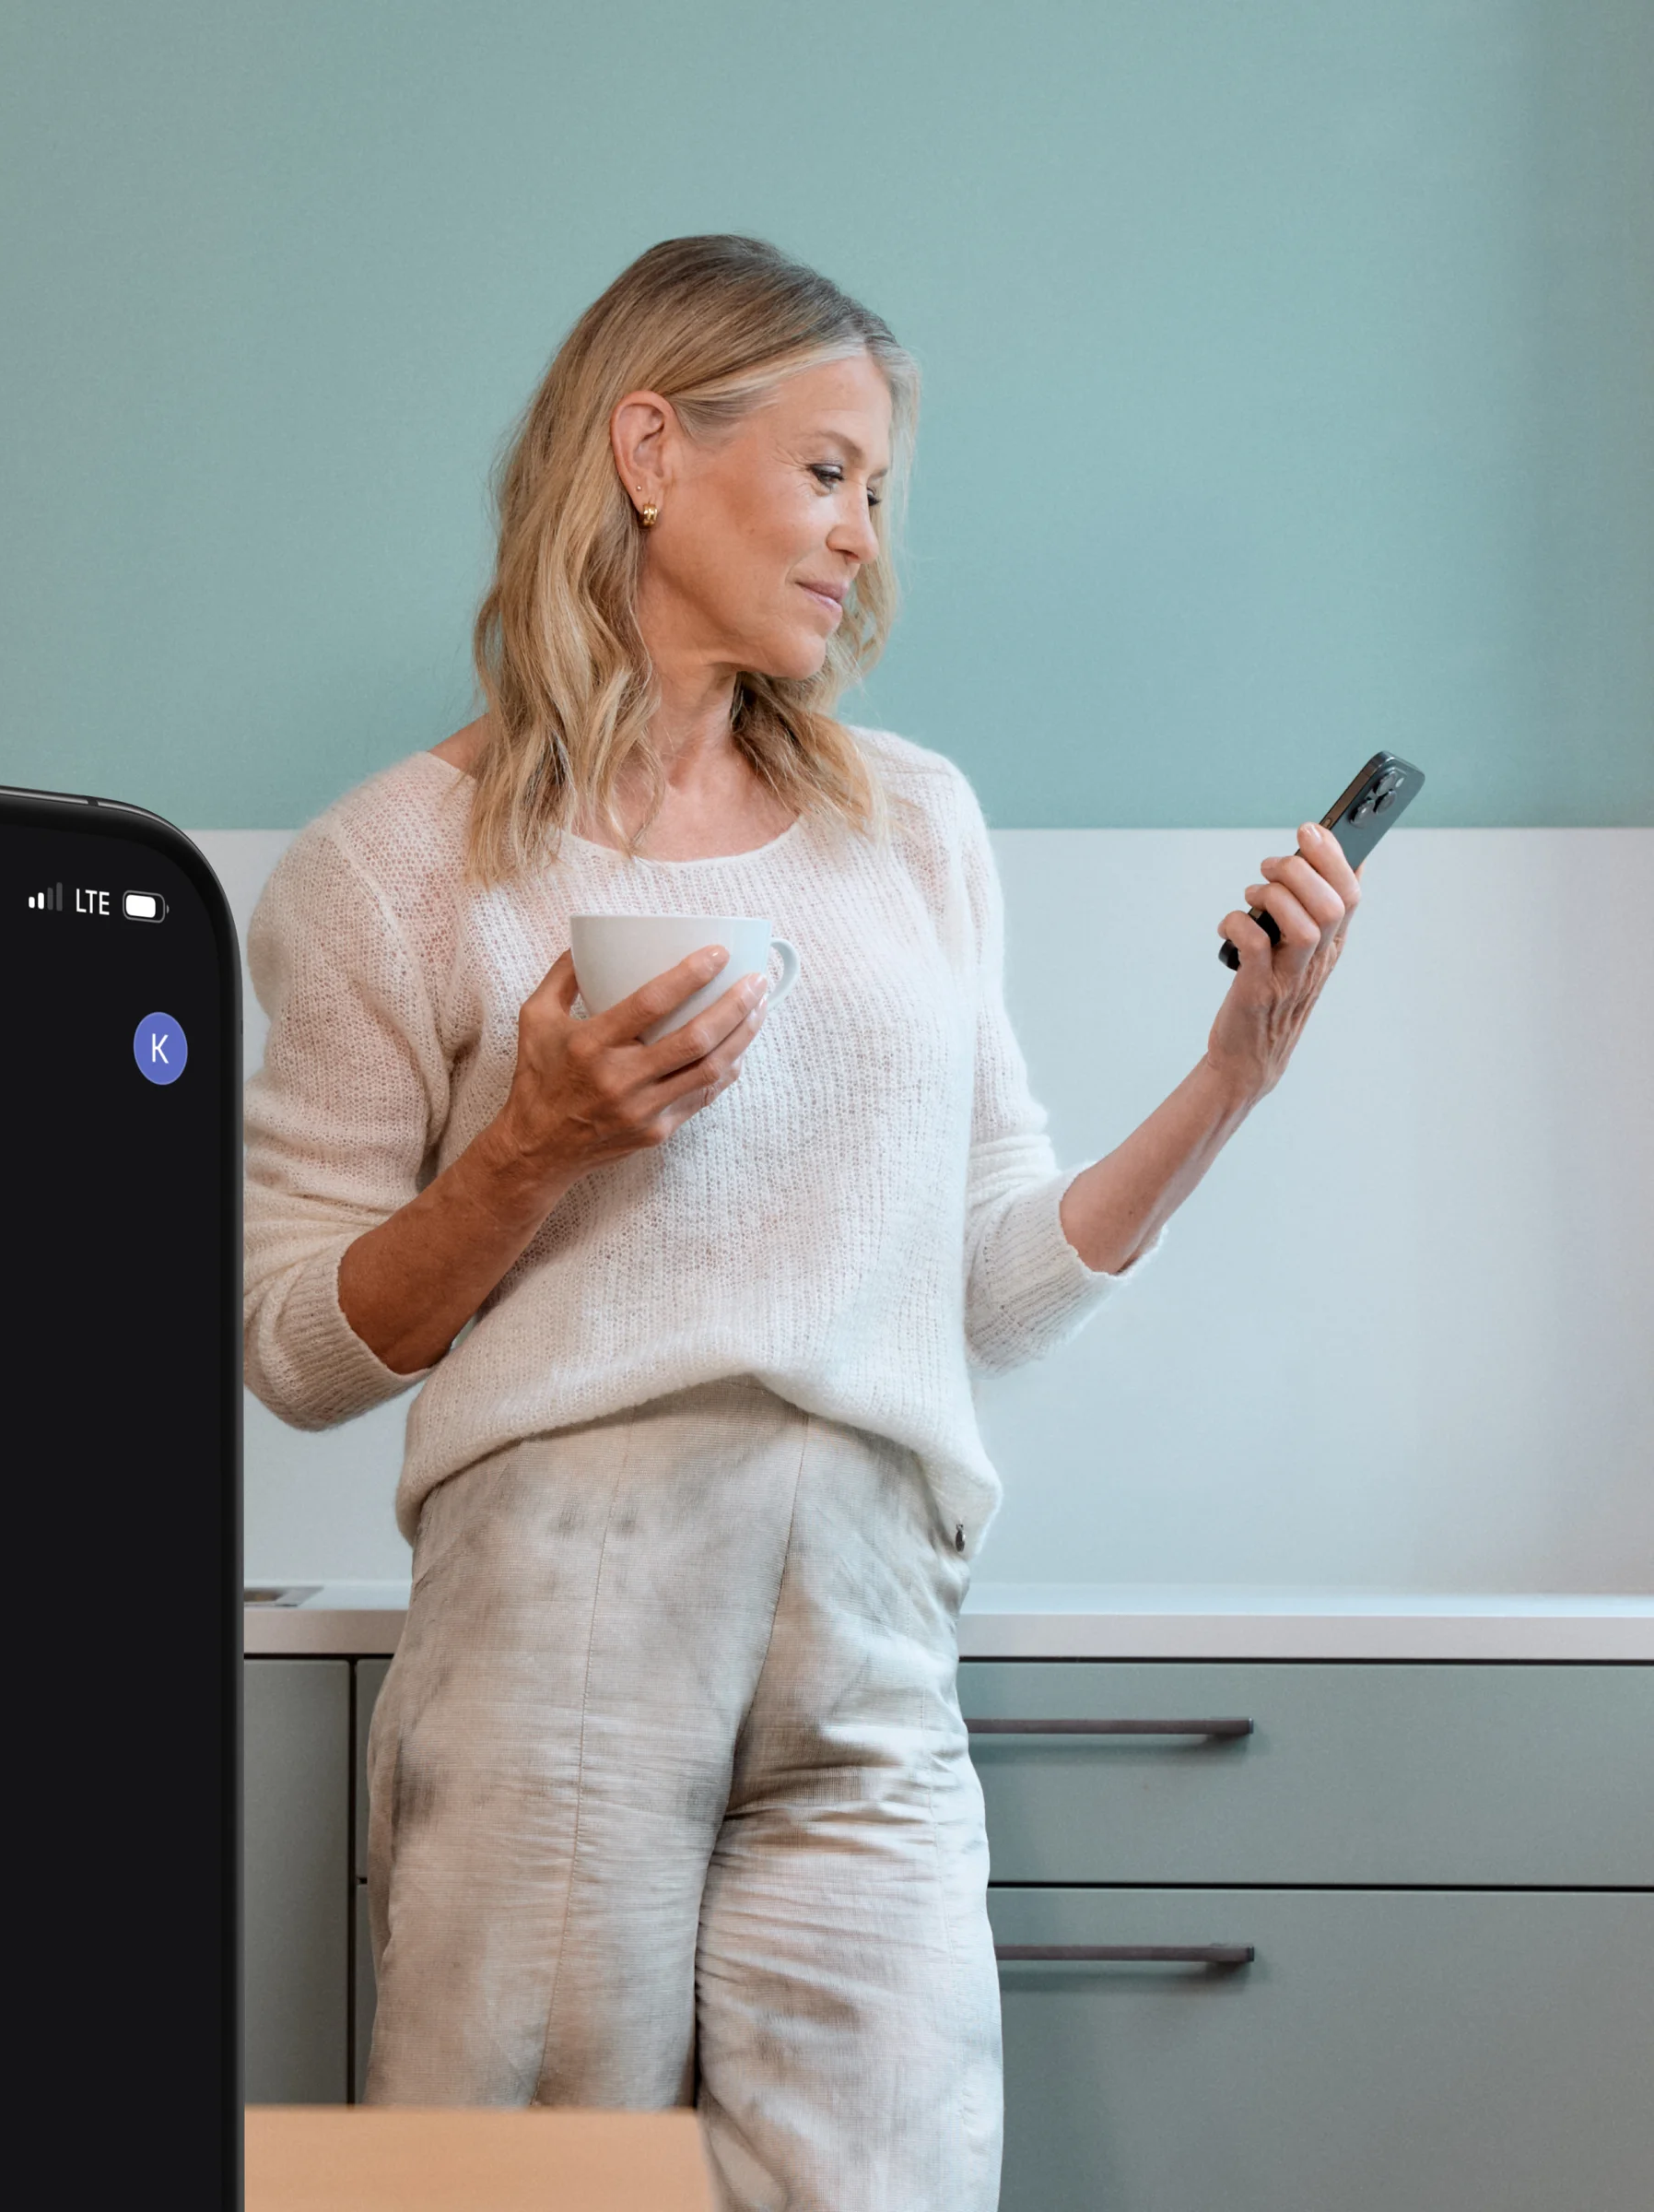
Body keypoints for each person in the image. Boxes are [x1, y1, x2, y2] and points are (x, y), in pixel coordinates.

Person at [240, 236, 1360, 2209]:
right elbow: (298, 1351)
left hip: (874, 1612)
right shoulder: (386, 870)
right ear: (650, 449)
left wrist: (1230, 1079)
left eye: (878, 490)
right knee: (517, 2195)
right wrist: (532, 1147)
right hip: (555, 1604)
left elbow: (991, 1283)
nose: (863, 535)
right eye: (829, 471)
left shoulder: (909, 823)